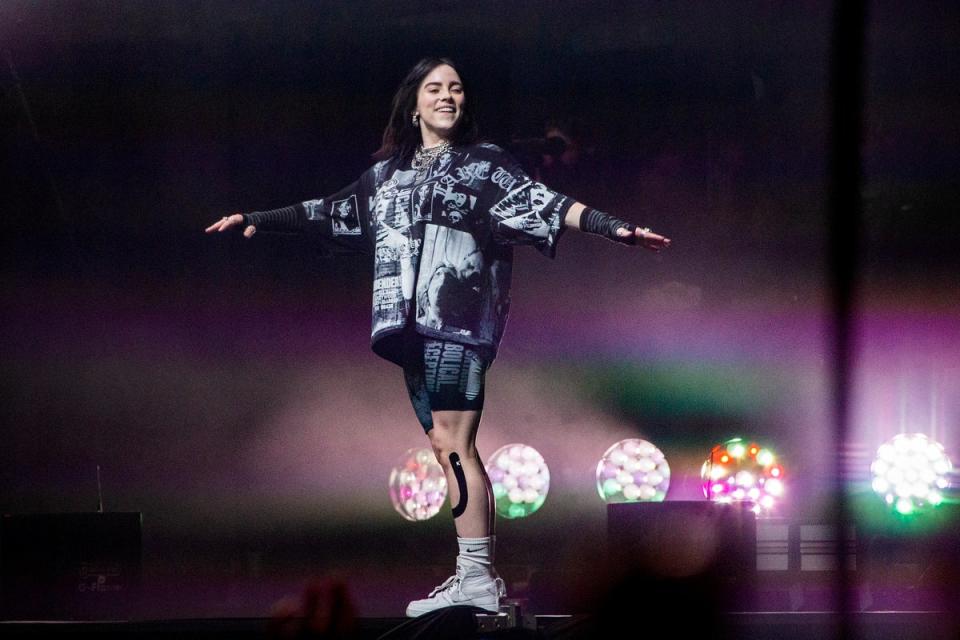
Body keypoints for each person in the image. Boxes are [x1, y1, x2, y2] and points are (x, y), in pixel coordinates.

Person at [205, 57, 670, 618]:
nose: (447, 96)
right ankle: (474, 575)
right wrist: (258, 217)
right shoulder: (384, 177)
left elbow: (545, 203)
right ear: (414, 102)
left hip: (456, 320)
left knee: (455, 443)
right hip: (409, 329)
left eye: (455, 88)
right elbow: (330, 211)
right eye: (434, 88)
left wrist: (613, 227)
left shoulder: (484, 165)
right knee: (444, 446)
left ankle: (476, 577)